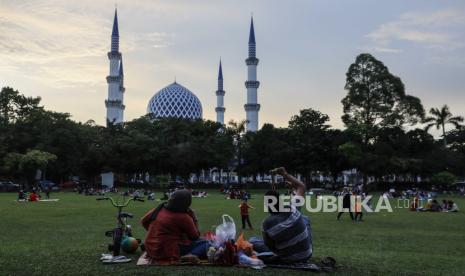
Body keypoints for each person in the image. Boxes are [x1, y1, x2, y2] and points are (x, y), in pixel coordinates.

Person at [250, 167, 312, 264]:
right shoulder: (292, 208)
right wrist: (285, 174)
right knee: (304, 218)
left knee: (253, 240)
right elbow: (301, 187)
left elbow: (271, 247)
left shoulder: (266, 224)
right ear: (280, 201)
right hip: (306, 254)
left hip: (287, 257)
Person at [140, 189, 209, 265]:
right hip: (168, 251)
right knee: (209, 243)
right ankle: (192, 254)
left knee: (202, 240)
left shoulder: (158, 209)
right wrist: (194, 218)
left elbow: (143, 221)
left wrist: (155, 233)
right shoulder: (183, 217)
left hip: (151, 248)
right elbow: (195, 237)